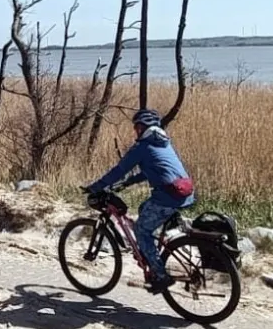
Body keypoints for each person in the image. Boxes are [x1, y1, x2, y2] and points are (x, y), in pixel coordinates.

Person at [84, 108, 195, 294]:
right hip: (185, 193)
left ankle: (160, 275)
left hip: (168, 197)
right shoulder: (163, 143)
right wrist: (128, 183)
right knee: (145, 208)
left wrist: (96, 186)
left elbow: (119, 169)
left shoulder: (141, 147)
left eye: (136, 127)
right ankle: (151, 252)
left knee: (141, 231)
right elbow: (150, 170)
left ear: (143, 127)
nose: (135, 130)